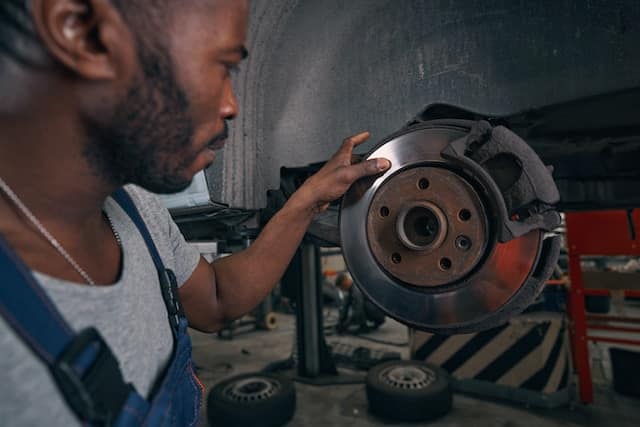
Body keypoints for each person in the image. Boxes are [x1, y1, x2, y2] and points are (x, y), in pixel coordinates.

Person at [0, 0, 391, 425]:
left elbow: (217, 299)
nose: (232, 107)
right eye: (224, 66)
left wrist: (310, 198)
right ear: (83, 33)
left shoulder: (136, 209)